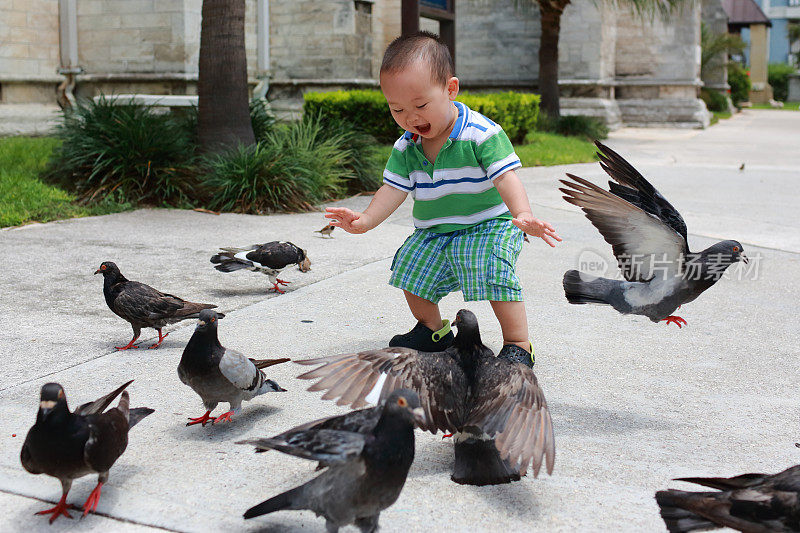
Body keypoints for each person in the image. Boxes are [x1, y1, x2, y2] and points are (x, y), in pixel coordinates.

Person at [325, 31, 561, 367]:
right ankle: (433, 331)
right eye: (397, 109)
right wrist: (364, 221)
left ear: (450, 89)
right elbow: (392, 189)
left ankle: (518, 343)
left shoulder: (480, 134)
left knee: (491, 269)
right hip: (435, 230)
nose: (410, 117)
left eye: (420, 105)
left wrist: (522, 214)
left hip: (488, 224)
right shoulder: (407, 147)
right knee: (411, 268)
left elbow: (506, 176)